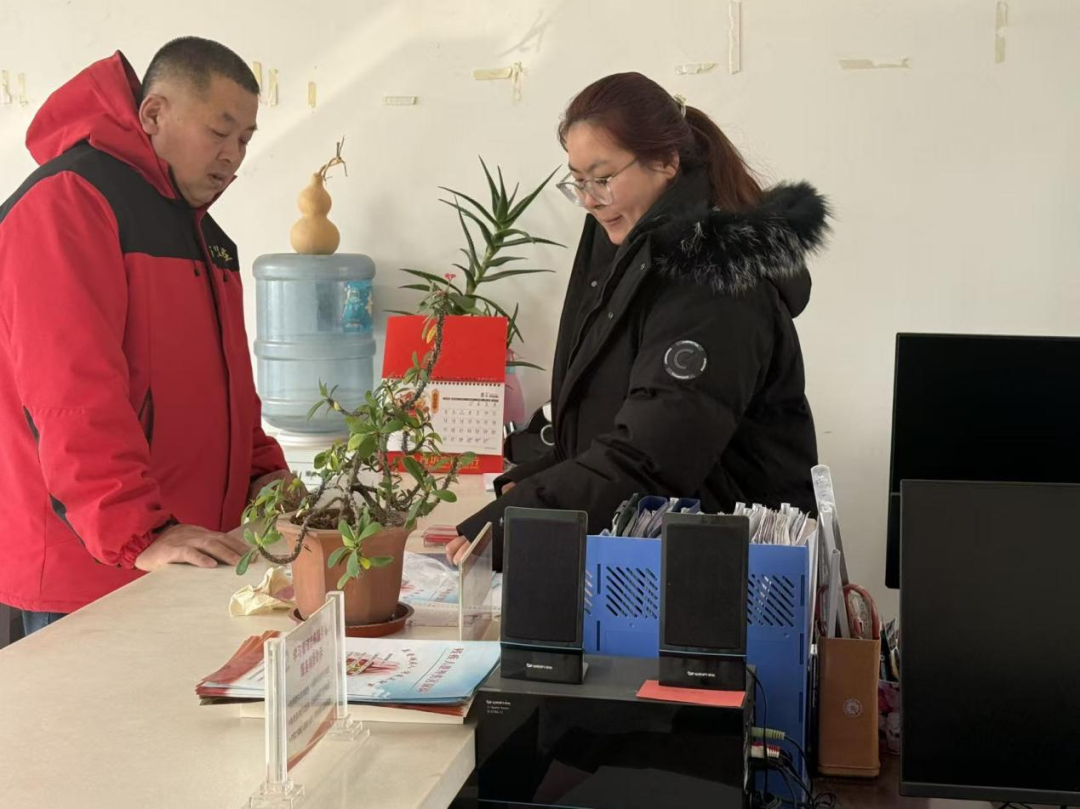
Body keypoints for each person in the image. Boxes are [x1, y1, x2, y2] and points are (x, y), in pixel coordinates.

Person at [449, 73, 829, 569]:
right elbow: (605, 419)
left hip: (731, 575)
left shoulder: (713, 283)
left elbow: (652, 456)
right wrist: (531, 481)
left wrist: (511, 524)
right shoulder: (628, 252)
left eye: (602, 178)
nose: (589, 199)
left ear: (667, 161)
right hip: (664, 556)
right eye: (578, 181)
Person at [0, 38, 290, 635]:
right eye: (220, 131)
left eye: (245, 139)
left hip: (187, 557)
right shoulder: (72, 201)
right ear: (154, 113)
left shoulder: (205, 235)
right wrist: (139, 533)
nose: (232, 155)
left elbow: (231, 388)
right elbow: (71, 393)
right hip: (94, 573)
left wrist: (264, 478)